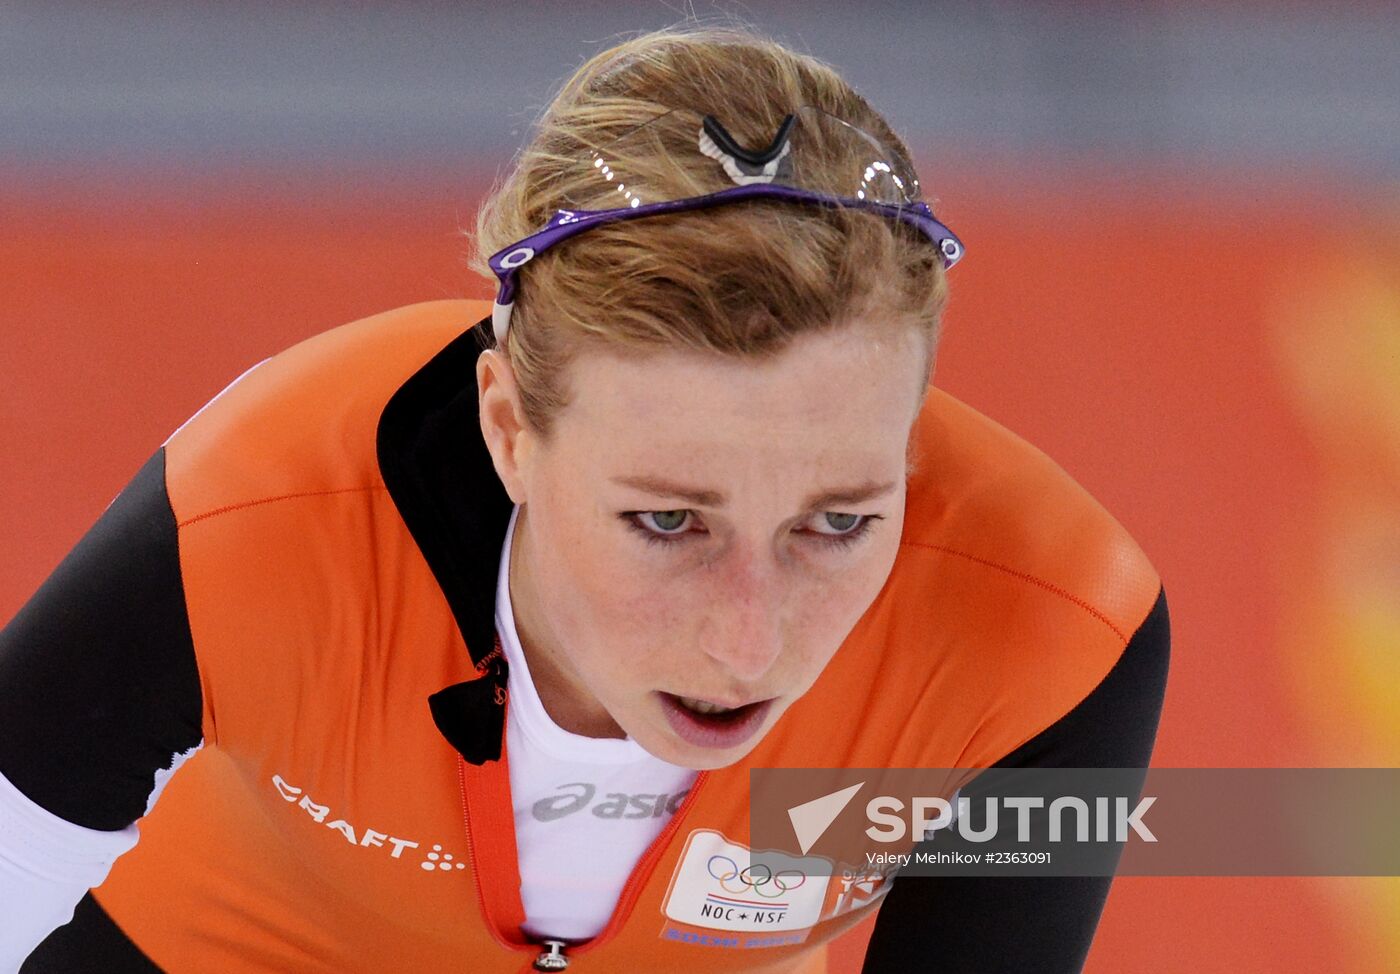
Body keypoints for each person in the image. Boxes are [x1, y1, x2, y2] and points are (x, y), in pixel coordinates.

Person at [0, 25, 1169, 974]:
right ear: (508, 431)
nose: (748, 641)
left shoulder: (1052, 630)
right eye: (666, 520)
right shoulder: (268, 510)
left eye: (837, 521)